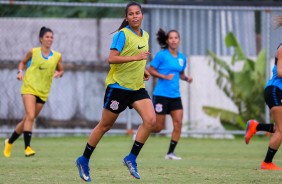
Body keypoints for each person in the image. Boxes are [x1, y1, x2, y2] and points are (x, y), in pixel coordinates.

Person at [75, 2, 155, 182]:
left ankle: (131, 158)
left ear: (142, 15)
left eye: (137, 13)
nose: (135, 16)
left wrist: (143, 70)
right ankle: (83, 159)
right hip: (118, 87)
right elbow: (112, 59)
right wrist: (136, 58)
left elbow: (138, 57)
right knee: (105, 125)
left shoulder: (145, 35)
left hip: (136, 88)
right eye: (131, 14)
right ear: (126, 18)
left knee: (150, 121)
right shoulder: (122, 35)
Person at [3, 27, 64, 158]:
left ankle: (9, 141)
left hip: (43, 92)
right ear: (41, 39)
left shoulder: (57, 56)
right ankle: (27, 147)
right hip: (29, 88)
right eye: (47, 37)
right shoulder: (33, 52)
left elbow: (61, 70)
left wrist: (59, 73)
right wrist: (20, 72)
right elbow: (22, 63)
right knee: (30, 116)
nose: (49, 39)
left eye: (51, 37)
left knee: (27, 119)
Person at [148, 29, 192, 160]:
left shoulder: (182, 58)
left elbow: (181, 74)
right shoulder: (162, 55)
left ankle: (170, 153)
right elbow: (150, 69)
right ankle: (141, 132)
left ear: (179, 40)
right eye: (171, 38)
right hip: (161, 95)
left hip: (175, 96)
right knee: (158, 128)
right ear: (167, 41)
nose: (173, 40)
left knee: (178, 123)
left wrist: (186, 78)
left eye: (176, 38)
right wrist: (163, 76)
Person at [245, 16, 282, 170]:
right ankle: (267, 163)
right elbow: (280, 72)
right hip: (275, 90)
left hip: (278, 91)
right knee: (281, 130)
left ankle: (256, 126)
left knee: (280, 127)